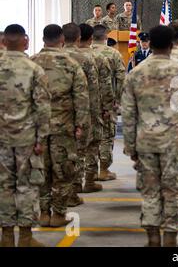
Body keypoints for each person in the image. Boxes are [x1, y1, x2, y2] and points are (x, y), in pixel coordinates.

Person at [121, 25, 178, 247]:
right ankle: (170, 240)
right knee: (173, 191)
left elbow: (128, 114)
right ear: (171, 45)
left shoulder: (136, 73)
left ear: (150, 44)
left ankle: (152, 239)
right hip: (173, 143)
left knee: (149, 192)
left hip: (145, 142)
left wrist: (130, 147)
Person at [32, 24, 90, 227]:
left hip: (36, 129)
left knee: (40, 170)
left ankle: (43, 213)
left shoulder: (32, 62)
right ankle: (58, 214)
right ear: (62, 39)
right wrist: (81, 125)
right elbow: (81, 98)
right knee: (63, 171)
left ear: (42, 39)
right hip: (63, 128)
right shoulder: (71, 64)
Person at [0, 24, 51, 247]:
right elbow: (42, 107)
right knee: (27, 186)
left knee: (3, 186)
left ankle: (7, 237)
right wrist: (41, 139)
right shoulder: (33, 69)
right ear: (25, 41)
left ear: (4, 42)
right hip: (27, 139)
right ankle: (27, 237)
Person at [63, 22, 102, 202]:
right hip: (81, 110)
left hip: (55, 114)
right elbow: (93, 90)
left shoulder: (39, 58)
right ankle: (79, 184)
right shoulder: (86, 58)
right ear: (78, 38)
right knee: (81, 148)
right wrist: (95, 114)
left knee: (59, 153)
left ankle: (63, 192)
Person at [78, 23, 114, 192]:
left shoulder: (64, 57)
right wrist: (108, 107)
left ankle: (74, 185)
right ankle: (89, 182)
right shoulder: (99, 58)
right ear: (90, 39)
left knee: (72, 148)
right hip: (94, 108)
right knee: (93, 144)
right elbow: (107, 85)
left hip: (65, 112)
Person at [92, 25, 126, 181]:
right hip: (107, 100)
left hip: (86, 102)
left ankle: (88, 172)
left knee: (89, 137)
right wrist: (117, 100)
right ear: (106, 36)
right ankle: (103, 170)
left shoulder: (84, 52)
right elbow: (121, 78)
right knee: (106, 135)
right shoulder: (113, 53)